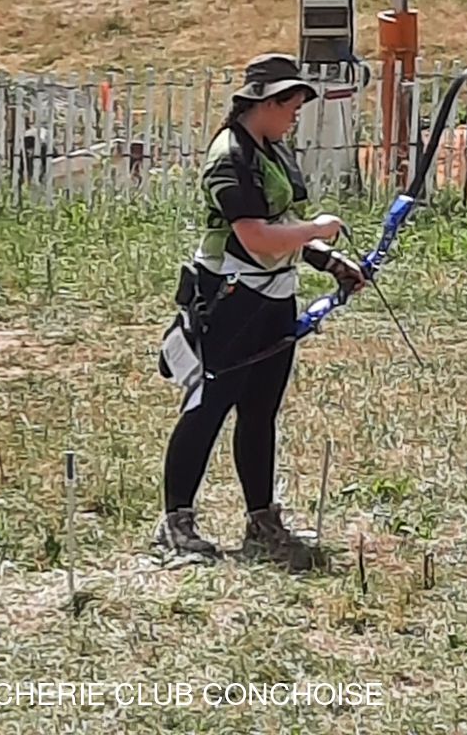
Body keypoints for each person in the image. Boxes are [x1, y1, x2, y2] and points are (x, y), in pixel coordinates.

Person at [154, 53, 366, 569]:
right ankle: (175, 523)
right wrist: (318, 230)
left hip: (272, 296)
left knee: (260, 409)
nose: (294, 117)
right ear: (266, 103)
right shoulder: (230, 156)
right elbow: (254, 235)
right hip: (231, 299)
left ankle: (261, 518)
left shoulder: (271, 149)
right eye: (290, 107)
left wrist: (327, 260)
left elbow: (281, 221)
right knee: (209, 405)